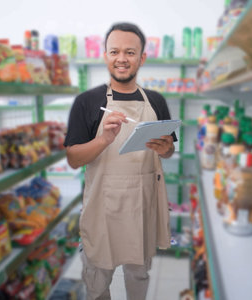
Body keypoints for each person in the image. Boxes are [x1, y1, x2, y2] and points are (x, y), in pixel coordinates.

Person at [64, 22, 176, 300]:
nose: (122, 59)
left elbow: (169, 150)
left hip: (142, 204)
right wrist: (103, 140)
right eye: (115, 51)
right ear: (105, 55)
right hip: (103, 206)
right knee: (98, 277)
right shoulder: (87, 102)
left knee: (139, 273)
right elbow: (73, 159)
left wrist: (165, 150)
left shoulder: (157, 101)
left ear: (142, 58)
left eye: (130, 52)